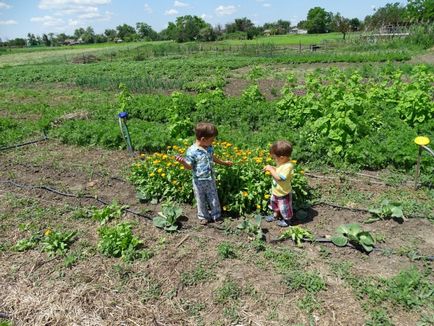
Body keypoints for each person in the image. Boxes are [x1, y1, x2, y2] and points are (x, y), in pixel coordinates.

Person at [175, 122, 233, 225]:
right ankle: (203, 217)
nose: (213, 142)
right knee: (200, 199)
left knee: (214, 197)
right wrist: (183, 162)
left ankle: (216, 215)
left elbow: (212, 158)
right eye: (212, 140)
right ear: (203, 139)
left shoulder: (209, 147)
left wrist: (223, 163)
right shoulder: (192, 151)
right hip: (198, 181)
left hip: (210, 179)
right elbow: (189, 166)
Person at [263, 140, 294, 227]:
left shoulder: (288, 166)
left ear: (282, 157)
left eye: (274, 158)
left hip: (283, 193)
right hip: (276, 191)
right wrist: (272, 168)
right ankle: (276, 215)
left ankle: (287, 220)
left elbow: (280, 178)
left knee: (285, 208)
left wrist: (271, 169)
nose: (274, 159)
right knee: (274, 204)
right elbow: (278, 171)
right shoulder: (281, 163)